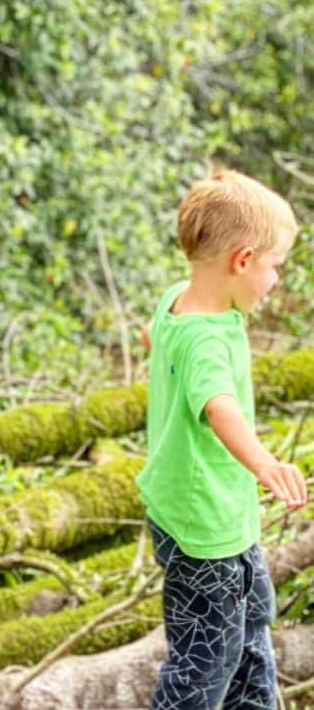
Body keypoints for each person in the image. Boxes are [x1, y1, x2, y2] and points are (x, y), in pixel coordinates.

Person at [137, 169, 307, 710]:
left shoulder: (179, 301)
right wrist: (265, 464)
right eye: (274, 267)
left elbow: (155, 333)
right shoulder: (205, 340)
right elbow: (219, 408)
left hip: (219, 515)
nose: (276, 280)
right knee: (205, 661)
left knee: (252, 622)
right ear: (242, 260)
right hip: (202, 523)